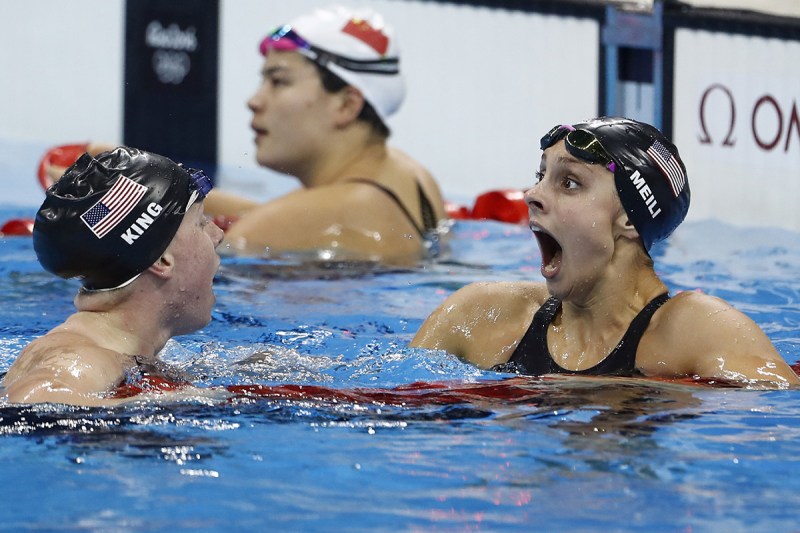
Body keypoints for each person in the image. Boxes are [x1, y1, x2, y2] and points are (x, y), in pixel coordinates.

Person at [411, 117, 800, 387]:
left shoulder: (699, 331)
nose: (532, 195)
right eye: (540, 175)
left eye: (569, 183)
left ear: (630, 218)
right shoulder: (477, 316)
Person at [207, 6, 448, 263]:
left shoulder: (270, 230)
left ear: (347, 105)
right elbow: (282, 213)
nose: (254, 101)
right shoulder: (413, 176)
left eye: (279, 82)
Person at [2, 147, 225, 405]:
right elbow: (31, 399)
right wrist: (175, 401)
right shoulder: (85, 358)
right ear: (161, 260)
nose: (217, 234)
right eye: (200, 223)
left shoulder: (117, 351)